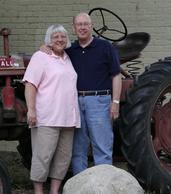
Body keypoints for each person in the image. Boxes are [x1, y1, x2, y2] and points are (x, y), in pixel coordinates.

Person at [40, 13, 121, 176]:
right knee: (77, 148)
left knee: (102, 147)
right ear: (73, 28)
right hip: (74, 103)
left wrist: (116, 102)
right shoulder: (70, 50)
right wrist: (44, 47)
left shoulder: (105, 47)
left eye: (85, 24)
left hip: (99, 101)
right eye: (79, 24)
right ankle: (80, 187)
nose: (82, 27)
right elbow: (53, 52)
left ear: (92, 26)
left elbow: (116, 75)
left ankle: (103, 186)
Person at [23, 24, 81, 194]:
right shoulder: (40, 57)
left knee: (63, 158)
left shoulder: (68, 58)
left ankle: (54, 191)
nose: (60, 39)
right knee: (43, 156)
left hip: (68, 118)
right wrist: (31, 110)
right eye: (55, 37)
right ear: (49, 40)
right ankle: (38, 191)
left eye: (62, 36)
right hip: (47, 117)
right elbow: (30, 84)